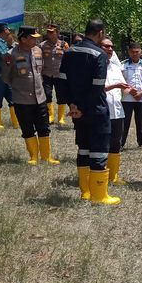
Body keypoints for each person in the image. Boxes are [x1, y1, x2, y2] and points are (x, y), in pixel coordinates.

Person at [57, 19, 120, 205]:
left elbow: (61, 81)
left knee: (83, 149)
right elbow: (97, 86)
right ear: (100, 33)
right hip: (95, 110)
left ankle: (85, 192)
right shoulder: (99, 54)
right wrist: (83, 108)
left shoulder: (69, 52)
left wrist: (72, 106)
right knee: (99, 151)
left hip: (77, 111)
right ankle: (99, 196)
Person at [1, 26, 60, 165]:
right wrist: (20, 85)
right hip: (22, 99)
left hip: (40, 97)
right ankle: (34, 157)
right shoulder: (10, 55)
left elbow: (41, 70)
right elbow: (6, 77)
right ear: (23, 38)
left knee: (44, 128)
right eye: (32, 38)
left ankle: (46, 157)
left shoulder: (38, 51)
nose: (36, 40)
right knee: (27, 128)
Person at [100, 37, 131, 185]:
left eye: (111, 47)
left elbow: (122, 89)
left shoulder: (115, 67)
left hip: (118, 111)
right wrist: (116, 86)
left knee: (116, 143)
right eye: (106, 46)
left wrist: (130, 90)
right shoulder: (95, 66)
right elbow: (97, 89)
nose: (110, 49)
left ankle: (113, 176)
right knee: (101, 144)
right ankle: (99, 175)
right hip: (102, 111)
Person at [121, 41, 142, 148]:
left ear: (141, 52)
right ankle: (121, 144)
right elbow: (120, 80)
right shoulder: (123, 65)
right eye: (132, 52)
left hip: (141, 98)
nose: (135, 54)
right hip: (127, 98)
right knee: (125, 121)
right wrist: (131, 91)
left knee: (140, 121)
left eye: (137, 52)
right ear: (129, 52)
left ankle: (141, 143)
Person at [40, 23, 69, 125]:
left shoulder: (63, 45)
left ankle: (61, 118)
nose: (49, 34)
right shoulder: (42, 45)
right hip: (46, 74)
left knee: (61, 96)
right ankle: (50, 116)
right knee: (47, 94)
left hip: (59, 74)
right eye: (48, 32)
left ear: (57, 33)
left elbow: (68, 59)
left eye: (52, 32)